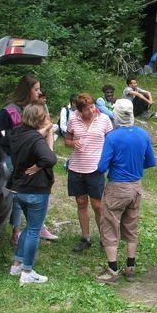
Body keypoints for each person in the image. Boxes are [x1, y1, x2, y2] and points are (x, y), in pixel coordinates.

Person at [0, 75, 58, 245]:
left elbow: (45, 130)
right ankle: (16, 232)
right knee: (19, 195)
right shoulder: (11, 110)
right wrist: (3, 150)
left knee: (39, 193)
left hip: (34, 157)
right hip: (18, 160)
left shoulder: (34, 108)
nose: (39, 92)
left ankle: (38, 225)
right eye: (36, 89)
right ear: (27, 90)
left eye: (39, 89)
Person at [95, 99, 156, 284]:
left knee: (110, 226)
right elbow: (151, 162)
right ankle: (130, 266)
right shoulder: (143, 134)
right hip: (136, 186)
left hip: (117, 187)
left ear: (117, 115)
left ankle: (112, 269)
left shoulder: (113, 137)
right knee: (131, 226)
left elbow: (101, 167)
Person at [7, 104, 57, 285]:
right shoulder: (36, 139)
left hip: (19, 188)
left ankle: (17, 264)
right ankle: (27, 271)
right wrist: (37, 166)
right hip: (36, 190)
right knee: (35, 230)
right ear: (39, 119)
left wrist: (46, 132)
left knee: (29, 227)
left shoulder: (17, 134)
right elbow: (50, 159)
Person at [65, 93, 113, 252]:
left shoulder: (104, 120)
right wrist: (73, 143)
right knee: (81, 202)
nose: (91, 111)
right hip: (76, 167)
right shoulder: (73, 119)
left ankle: (104, 238)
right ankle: (85, 238)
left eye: (92, 106)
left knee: (98, 205)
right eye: (86, 109)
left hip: (95, 168)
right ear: (79, 110)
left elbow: (111, 142)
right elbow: (67, 140)